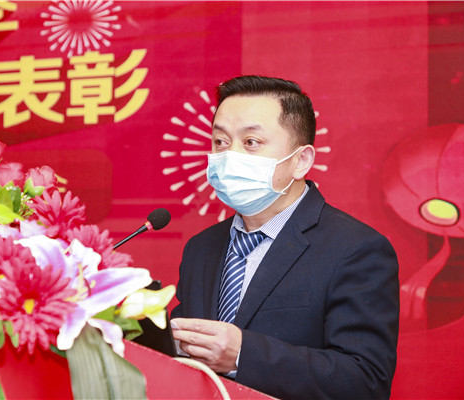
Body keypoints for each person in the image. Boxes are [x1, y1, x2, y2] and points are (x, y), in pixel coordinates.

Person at [170, 75, 399, 399]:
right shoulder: (201, 248)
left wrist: (243, 355)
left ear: (301, 161)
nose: (229, 155)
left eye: (251, 142)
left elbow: (365, 380)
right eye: (220, 142)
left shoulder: (356, 249)